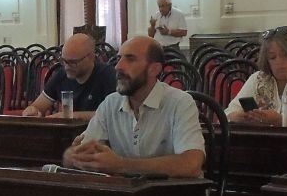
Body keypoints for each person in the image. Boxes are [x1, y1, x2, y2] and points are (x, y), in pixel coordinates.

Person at [63, 36, 205, 178]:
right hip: (125, 191)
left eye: (130, 59)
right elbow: (75, 156)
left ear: (154, 69)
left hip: (171, 191)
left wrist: (120, 165)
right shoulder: (111, 103)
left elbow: (191, 164)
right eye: (119, 58)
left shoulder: (180, 103)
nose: (118, 66)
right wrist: (73, 155)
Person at [21, 33, 115, 119]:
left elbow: (112, 114)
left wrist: (72, 116)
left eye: (73, 62)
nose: (67, 67)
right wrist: (32, 110)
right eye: (64, 61)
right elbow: (38, 106)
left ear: (91, 57)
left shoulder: (108, 75)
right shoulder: (61, 75)